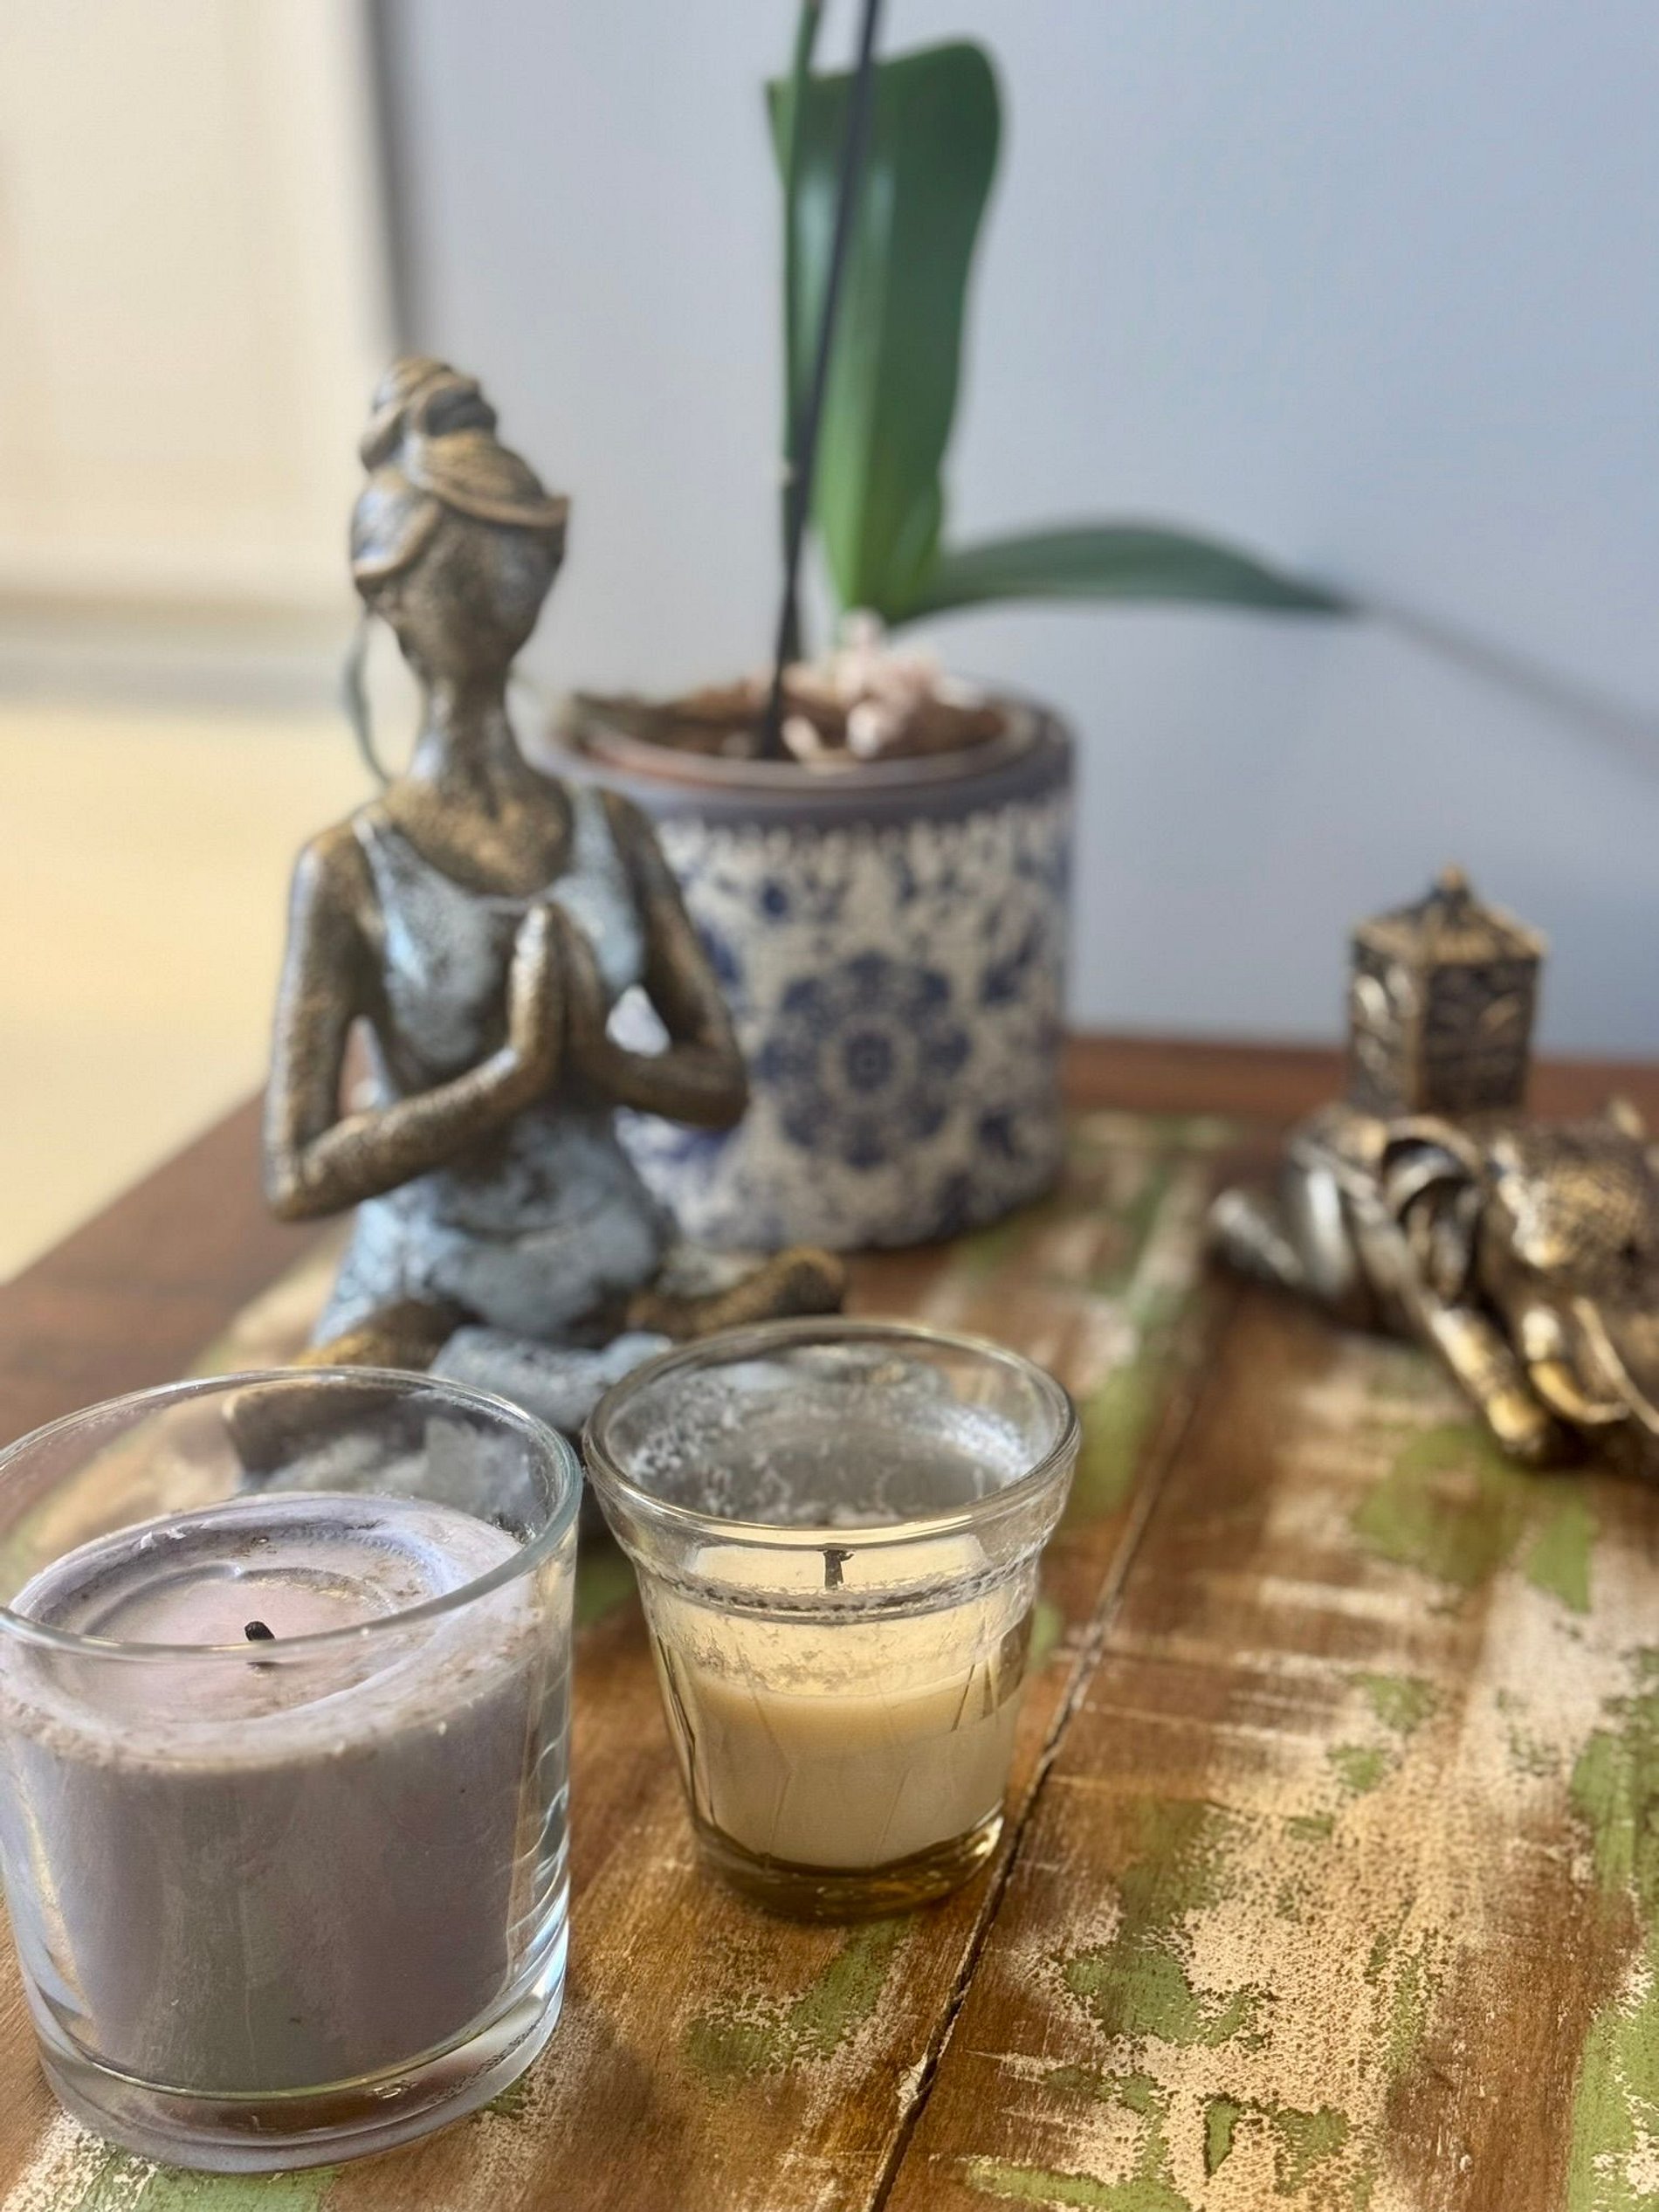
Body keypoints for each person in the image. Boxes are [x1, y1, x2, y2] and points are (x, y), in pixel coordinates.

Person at [261, 357, 839, 1431]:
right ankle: (509, 1377)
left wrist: (600, 1062)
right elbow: (295, 1172)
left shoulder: (607, 828)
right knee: (431, 1430)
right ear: (386, 592)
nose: (494, 585)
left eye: (515, 555)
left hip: (612, 1245)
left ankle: (644, 1343)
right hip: (439, 1272)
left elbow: (720, 1081)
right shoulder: (350, 866)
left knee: (789, 1362)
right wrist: (510, 1078)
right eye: (460, 562)